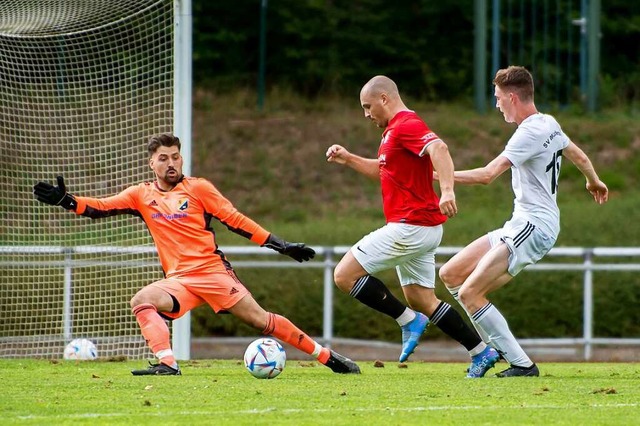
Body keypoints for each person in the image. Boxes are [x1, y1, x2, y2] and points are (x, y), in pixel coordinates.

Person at [33, 132, 360, 376]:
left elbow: (236, 221)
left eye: (175, 156)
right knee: (142, 301)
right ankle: (167, 363)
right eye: (163, 158)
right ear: (152, 163)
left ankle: (328, 358)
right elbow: (100, 208)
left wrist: (281, 244)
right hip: (179, 281)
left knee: (262, 321)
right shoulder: (140, 195)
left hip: (213, 273)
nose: (171, 163)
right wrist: (67, 200)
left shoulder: (199, 188)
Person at [438, 66, 609, 377]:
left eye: (498, 98)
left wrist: (439, 176)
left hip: (534, 226)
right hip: (520, 223)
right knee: (451, 274)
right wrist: (593, 181)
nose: (496, 104)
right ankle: (491, 351)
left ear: (512, 97)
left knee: (470, 293)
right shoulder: (549, 122)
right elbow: (579, 156)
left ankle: (520, 364)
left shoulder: (528, 133)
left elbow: (488, 175)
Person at [326, 75, 499, 378]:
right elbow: (383, 171)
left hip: (410, 227)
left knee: (344, 275)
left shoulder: (406, 124)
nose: (366, 114)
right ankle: (481, 351)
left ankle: (408, 321)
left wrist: (447, 190)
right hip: (422, 229)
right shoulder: (392, 132)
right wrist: (349, 158)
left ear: (384, 99)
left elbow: (440, 149)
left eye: (368, 107)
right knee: (422, 298)